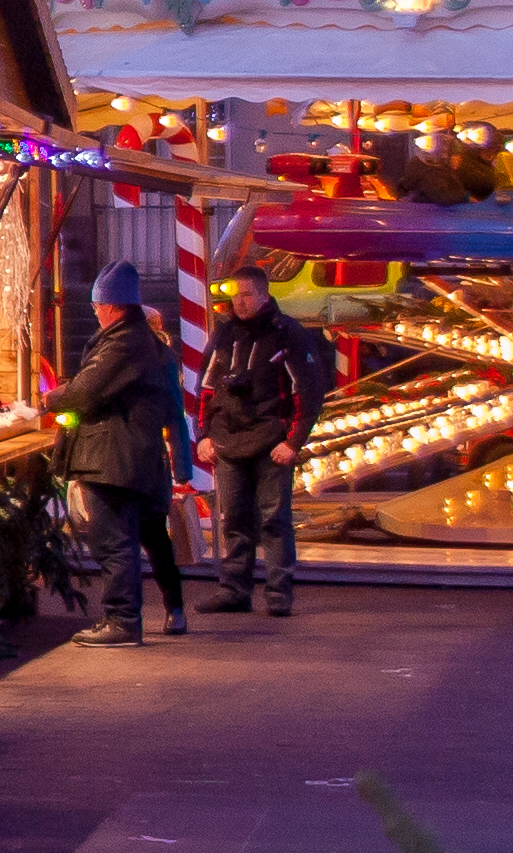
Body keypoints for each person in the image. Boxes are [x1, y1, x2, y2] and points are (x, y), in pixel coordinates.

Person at [60, 259, 191, 644]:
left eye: (98, 306)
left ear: (114, 306)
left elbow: (88, 391)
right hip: (145, 461)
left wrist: (54, 398)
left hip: (126, 460)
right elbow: (172, 410)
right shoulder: (153, 350)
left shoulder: (127, 345)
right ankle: (172, 611)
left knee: (125, 539)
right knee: (151, 538)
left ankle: (133, 618)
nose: (96, 313)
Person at [201, 265, 332, 618]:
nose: (239, 303)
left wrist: (293, 441)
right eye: (235, 295)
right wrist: (205, 434)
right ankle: (234, 591)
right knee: (233, 521)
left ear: (264, 294)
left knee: (274, 519)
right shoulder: (225, 334)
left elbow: (308, 391)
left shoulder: (288, 334)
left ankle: (278, 592)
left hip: (271, 444)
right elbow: (208, 387)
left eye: (247, 295)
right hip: (229, 442)